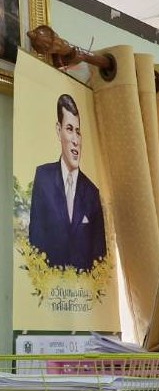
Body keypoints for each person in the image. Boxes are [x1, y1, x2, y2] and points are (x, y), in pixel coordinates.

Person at [27, 93, 107, 273]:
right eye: (69, 129)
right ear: (58, 130)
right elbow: (35, 243)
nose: (75, 140)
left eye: (78, 131)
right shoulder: (43, 178)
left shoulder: (92, 193)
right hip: (49, 293)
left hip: (83, 296)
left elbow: (100, 259)